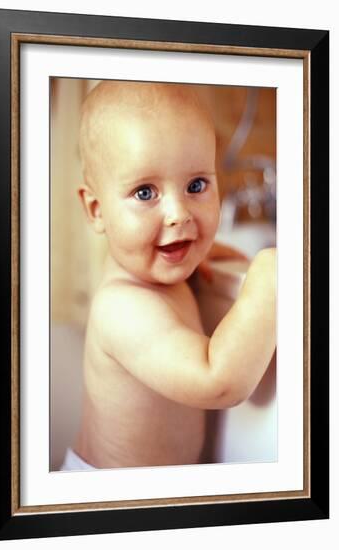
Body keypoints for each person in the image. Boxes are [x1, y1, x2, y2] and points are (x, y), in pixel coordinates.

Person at [61, 80, 276, 471]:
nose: (179, 214)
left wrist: (199, 255)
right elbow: (218, 380)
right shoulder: (124, 308)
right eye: (145, 193)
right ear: (96, 210)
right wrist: (270, 275)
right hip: (111, 500)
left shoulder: (155, 271)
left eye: (196, 185)